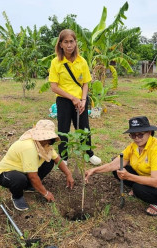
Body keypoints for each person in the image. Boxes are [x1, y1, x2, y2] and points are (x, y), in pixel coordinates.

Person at [85, 116, 157, 216]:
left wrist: (129, 177)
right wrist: (94, 170)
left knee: (138, 188)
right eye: (133, 135)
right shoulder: (133, 146)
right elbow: (115, 164)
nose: (137, 139)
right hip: (145, 176)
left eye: (140, 135)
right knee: (118, 169)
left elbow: (155, 182)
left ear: (149, 133)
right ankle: (138, 188)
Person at [49, 29, 101, 166]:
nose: (69, 45)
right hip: (64, 100)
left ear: (75, 43)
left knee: (84, 128)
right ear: (60, 44)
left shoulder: (81, 61)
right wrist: (72, 98)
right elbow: (54, 87)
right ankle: (64, 157)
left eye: (71, 41)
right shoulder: (56, 62)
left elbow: (85, 83)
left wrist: (83, 100)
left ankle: (89, 154)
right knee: (63, 129)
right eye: (65, 42)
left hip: (81, 101)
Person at [0, 120, 74, 211]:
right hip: (6, 174)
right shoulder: (29, 146)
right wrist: (45, 193)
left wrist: (68, 174)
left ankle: (28, 186)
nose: (50, 141)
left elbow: (57, 159)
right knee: (19, 179)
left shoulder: (45, 144)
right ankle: (17, 197)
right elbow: (33, 176)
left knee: (49, 161)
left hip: (24, 171)